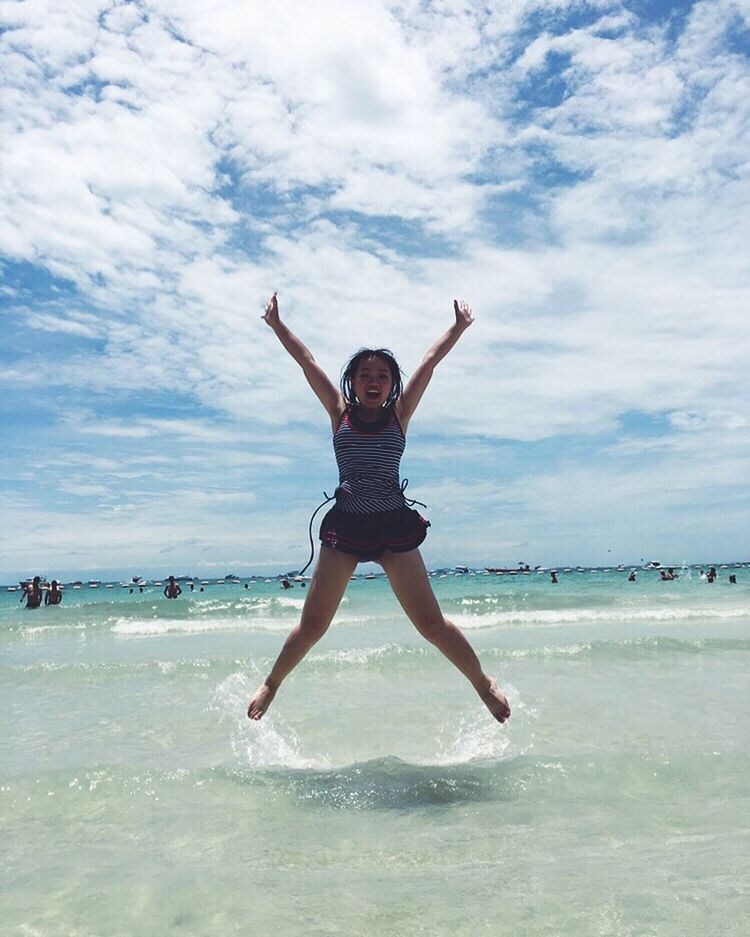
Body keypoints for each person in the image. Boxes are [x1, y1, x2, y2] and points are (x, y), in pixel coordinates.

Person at [247, 293, 511, 724]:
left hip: (393, 526)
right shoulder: (339, 412)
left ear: (392, 385)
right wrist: (277, 325)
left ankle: (483, 684)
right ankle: (271, 684)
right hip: (346, 526)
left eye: (383, 375)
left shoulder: (400, 414)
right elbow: (307, 362)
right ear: (351, 382)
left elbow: (429, 361)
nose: (374, 380)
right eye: (365, 374)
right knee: (313, 626)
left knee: (430, 624)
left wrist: (458, 329)